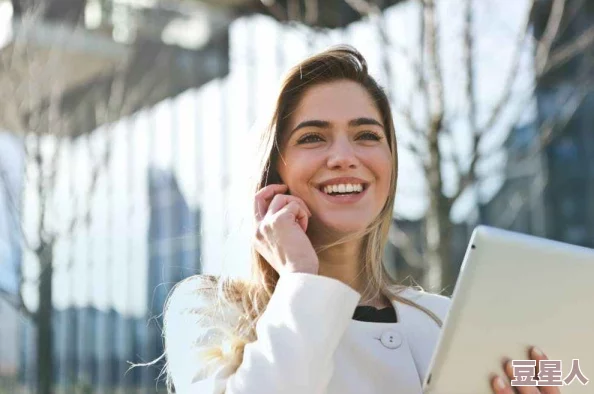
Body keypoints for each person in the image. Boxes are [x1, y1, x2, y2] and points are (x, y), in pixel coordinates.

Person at [162, 46, 558, 394]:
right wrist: (302, 277)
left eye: (366, 135)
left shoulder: (444, 319)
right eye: (313, 137)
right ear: (274, 172)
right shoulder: (207, 309)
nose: (344, 156)